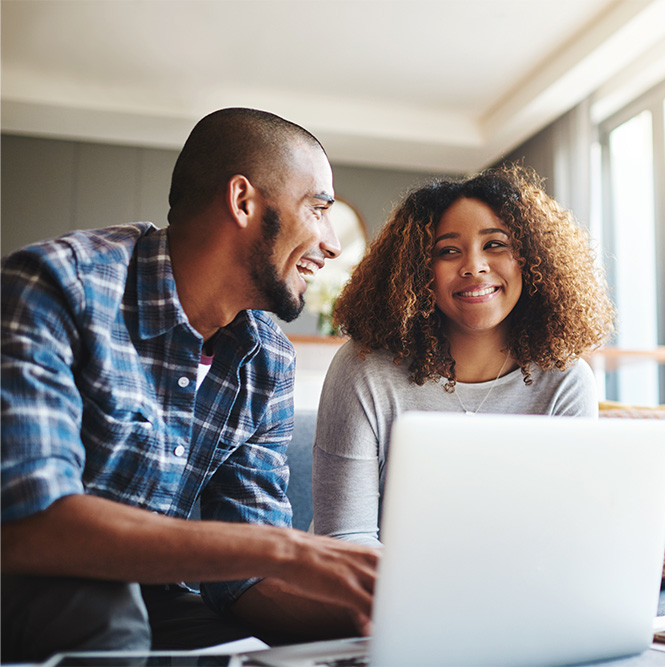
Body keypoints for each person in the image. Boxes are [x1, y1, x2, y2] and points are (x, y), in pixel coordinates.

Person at [0, 108, 379, 662]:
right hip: (26, 579)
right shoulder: (58, 285)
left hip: (152, 603)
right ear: (243, 201)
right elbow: (33, 524)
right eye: (318, 209)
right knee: (103, 610)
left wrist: (375, 618)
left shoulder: (267, 357)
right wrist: (289, 550)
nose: (331, 243)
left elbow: (243, 581)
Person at [312, 165, 615, 546]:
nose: (474, 266)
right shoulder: (365, 368)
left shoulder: (566, 381)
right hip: (374, 588)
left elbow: (567, 534)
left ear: (531, 259)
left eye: (495, 244)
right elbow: (345, 536)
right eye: (448, 251)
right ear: (418, 271)